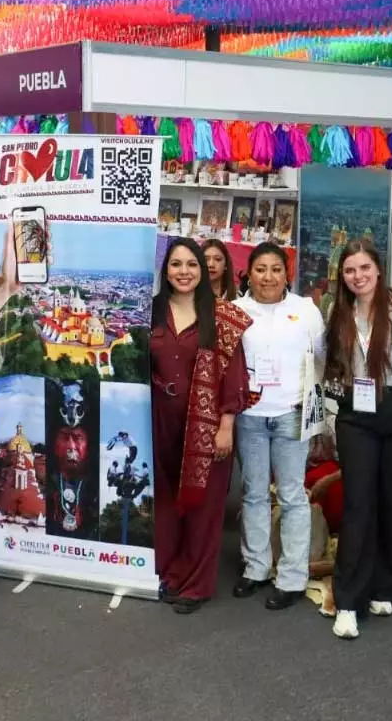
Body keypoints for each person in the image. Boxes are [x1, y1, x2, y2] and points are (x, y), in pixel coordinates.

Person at [322, 240, 392, 640]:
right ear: (342, 275)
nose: (358, 276)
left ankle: (387, 584)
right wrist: (329, 414)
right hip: (356, 413)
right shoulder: (337, 310)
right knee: (358, 504)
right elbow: (328, 362)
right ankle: (348, 600)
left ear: (378, 270)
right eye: (350, 270)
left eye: (365, 268)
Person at [151, 238, 250, 614]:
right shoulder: (152, 311)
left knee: (203, 507)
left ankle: (195, 584)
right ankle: (168, 572)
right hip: (159, 421)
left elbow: (235, 376)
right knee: (164, 503)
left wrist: (225, 426)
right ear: (166, 270)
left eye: (191, 264)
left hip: (206, 426)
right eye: (176, 265)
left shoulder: (221, 317)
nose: (184, 272)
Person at [233, 242, 325, 611]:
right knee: (253, 493)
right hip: (249, 417)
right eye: (260, 269)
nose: (268, 276)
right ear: (249, 273)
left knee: (292, 496)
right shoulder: (236, 312)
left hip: (290, 413)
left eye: (275, 269)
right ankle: (255, 568)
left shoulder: (305, 311)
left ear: (287, 273)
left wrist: (317, 415)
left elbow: (319, 359)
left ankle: (291, 577)